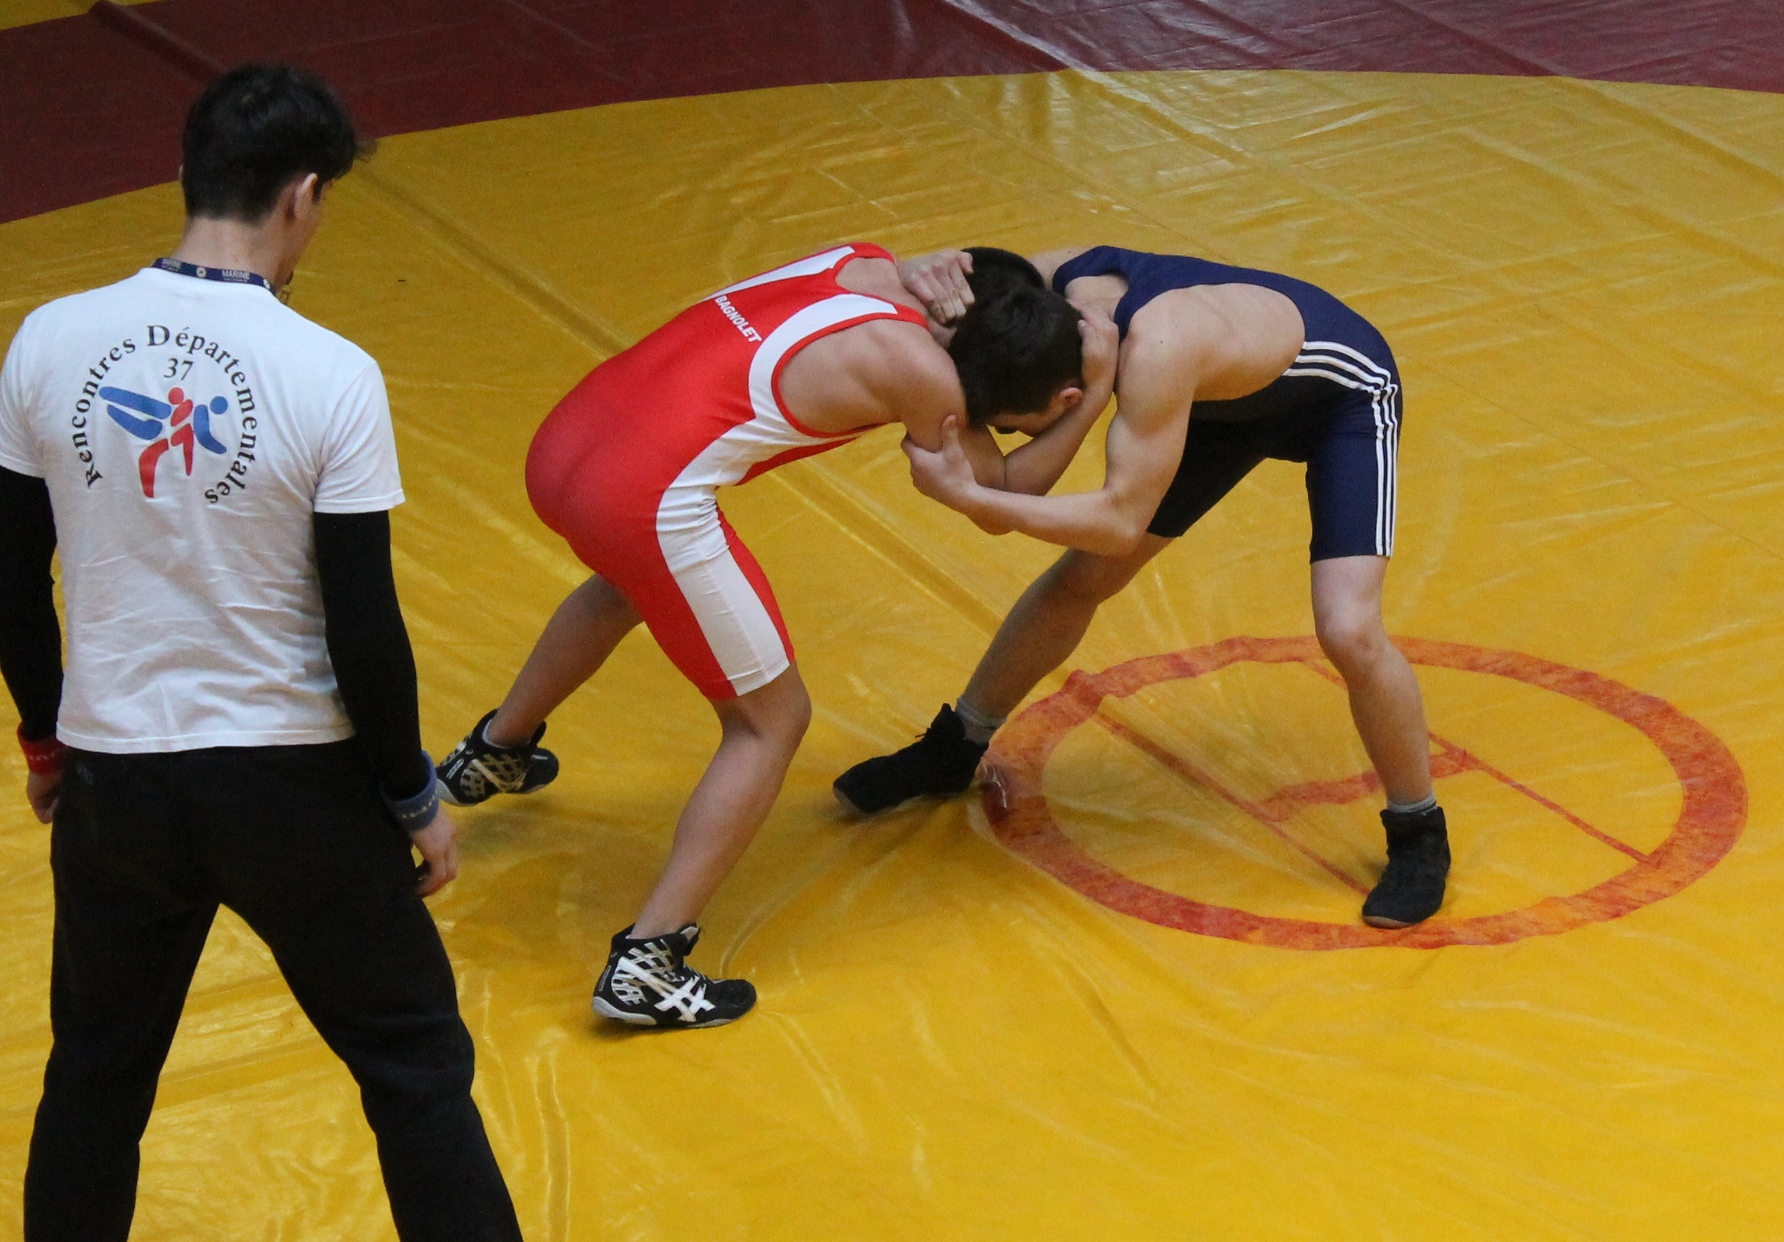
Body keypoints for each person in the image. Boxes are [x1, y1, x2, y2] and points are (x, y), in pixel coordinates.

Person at [0, 65, 522, 1242]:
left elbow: (10, 579)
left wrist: (46, 737)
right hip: (292, 786)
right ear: (302, 195)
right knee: (413, 1066)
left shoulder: (48, 340)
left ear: (186, 173)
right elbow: (363, 625)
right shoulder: (328, 372)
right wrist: (410, 793)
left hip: (119, 779)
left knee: (95, 1077)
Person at [435, 244, 1117, 1029]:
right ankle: (648, 964)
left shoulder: (865, 259)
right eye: (1011, 422)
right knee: (771, 721)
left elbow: (995, 275)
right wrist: (1092, 396)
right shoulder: (923, 374)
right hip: (640, 499)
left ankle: (494, 751)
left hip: (566, 444)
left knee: (630, 584)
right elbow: (998, 497)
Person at [838, 245, 1452, 930]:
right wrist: (920, 269)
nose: (1011, 441)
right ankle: (953, 748)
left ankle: (1418, 829)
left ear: (1066, 398)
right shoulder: (1033, 291)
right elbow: (877, 276)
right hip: (1215, 395)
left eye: (1013, 429)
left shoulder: (1159, 349)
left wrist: (975, 497)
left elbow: (1116, 523)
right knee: (1082, 579)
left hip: (1341, 396)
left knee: (1348, 629)